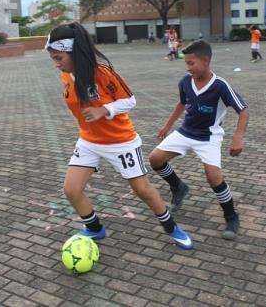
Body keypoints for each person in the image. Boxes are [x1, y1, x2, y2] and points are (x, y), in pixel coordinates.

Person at [45, 22, 193, 249]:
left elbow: (130, 100)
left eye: (58, 58)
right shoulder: (66, 75)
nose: (56, 64)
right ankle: (95, 229)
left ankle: (172, 228)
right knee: (71, 189)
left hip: (120, 141)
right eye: (53, 59)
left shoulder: (102, 73)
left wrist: (104, 110)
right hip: (89, 141)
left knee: (142, 190)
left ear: (74, 52)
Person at [149, 40, 249, 240]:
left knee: (213, 178)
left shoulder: (220, 86)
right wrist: (167, 126)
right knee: (155, 159)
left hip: (208, 136)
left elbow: (243, 110)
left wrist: (238, 138)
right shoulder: (185, 82)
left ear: (206, 60)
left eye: (191, 63)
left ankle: (231, 216)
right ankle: (178, 186)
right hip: (186, 132)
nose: (188, 67)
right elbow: (182, 103)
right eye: (186, 63)